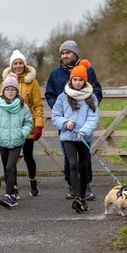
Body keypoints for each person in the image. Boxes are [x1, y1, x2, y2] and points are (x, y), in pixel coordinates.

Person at [45, 40, 102, 200]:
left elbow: (97, 90)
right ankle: (72, 186)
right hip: (66, 126)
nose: (65, 55)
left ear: (75, 53)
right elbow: (50, 94)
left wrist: (88, 104)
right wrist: (62, 111)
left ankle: (86, 187)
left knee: (85, 160)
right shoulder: (55, 74)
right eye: (63, 53)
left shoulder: (89, 71)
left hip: (85, 126)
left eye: (68, 52)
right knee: (69, 159)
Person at [51, 63, 99, 212]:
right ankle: (77, 196)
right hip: (68, 137)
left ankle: (83, 197)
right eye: (75, 80)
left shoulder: (91, 98)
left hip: (84, 137)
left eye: (80, 80)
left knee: (84, 165)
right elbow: (55, 116)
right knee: (73, 164)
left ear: (84, 81)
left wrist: (84, 131)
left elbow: (93, 118)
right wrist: (65, 123)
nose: (77, 83)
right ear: (70, 80)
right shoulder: (62, 97)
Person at [1, 50, 44, 197]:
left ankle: (33, 181)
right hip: (9, 126)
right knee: (10, 161)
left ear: (24, 65)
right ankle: (13, 187)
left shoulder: (32, 82)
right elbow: (1, 104)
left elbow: (37, 105)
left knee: (28, 156)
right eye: (15, 63)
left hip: (26, 125)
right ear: (11, 66)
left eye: (20, 63)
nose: (18, 66)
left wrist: (38, 124)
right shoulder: (5, 82)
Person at [0, 72, 33, 208]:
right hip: (3, 141)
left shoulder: (23, 106)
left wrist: (22, 133)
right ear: (3, 91)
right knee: (7, 168)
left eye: (13, 89)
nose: (10, 91)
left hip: (16, 141)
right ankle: (13, 192)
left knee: (10, 167)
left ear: (17, 91)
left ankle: (8, 196)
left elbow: (28, 123)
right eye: (8, 89)